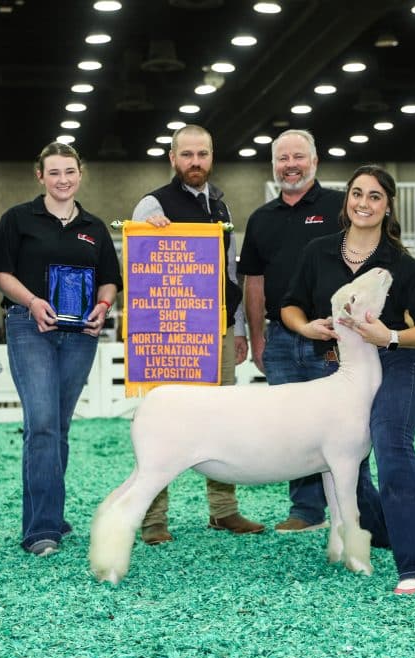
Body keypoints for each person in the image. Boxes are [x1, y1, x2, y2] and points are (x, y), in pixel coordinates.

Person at [281, 164, 415, 594]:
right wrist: (306, 328)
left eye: (375, 196)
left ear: (387, 206)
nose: (364, 203)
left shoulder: (401, 263)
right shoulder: (318, 251)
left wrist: (390, 336)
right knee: (347, 469)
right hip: (337, 368)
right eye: (357, 194)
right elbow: (291, 306)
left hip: (395, 365)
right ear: (347, 201)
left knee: (392, 447)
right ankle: (390, 534)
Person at [131, 124, 265, 544]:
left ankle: (223, 511)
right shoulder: (152, 204)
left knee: (222, 420)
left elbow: (229, 274)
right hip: (171, 334)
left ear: (211, 157)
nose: (195, 162)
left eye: (202, 154)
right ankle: (154, 520)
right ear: (173, 158)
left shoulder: (221, 206)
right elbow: (140, 269)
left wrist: (239, 326)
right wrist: (148, 233)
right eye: (186, 154)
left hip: (219, 329)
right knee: (164, 422)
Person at [0, 142, 122, 557]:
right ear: (40, 176)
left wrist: (103, 306)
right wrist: (32, 302)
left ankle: (50, 512)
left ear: (80, 173)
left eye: (70, 171)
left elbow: (109, 279)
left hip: (80, 334)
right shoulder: (17, 219)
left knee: (59, 425)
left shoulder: (95, 227)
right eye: (54, 172)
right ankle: (41, 528)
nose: (62, 179)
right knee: (43, 423)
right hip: (30, 326)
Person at [237, 129, 344, 533]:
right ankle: (306, 510)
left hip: (331, 338)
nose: (291, 165)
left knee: (341, 425)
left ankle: (355, 506)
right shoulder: (261, 219)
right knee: (293, 428)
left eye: (298, 157)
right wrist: (257, 336)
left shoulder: (340, 207)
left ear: (314, 162)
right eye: (282, 159)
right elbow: (255, 283)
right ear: (273, 166)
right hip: (281, 338)